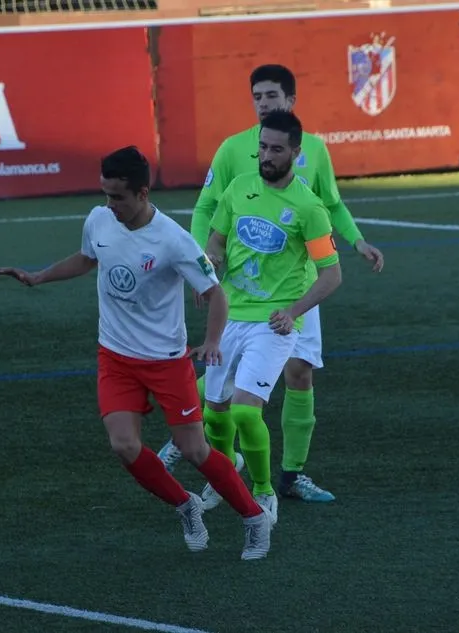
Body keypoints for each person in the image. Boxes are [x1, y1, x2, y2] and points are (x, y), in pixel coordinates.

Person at [0, 146, 274, 560]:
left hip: (165, 362)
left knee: (196, 450)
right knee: (124, 446)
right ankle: (186, 506)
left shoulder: (173, 240)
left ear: (143, 194)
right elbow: (87, 258)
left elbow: (216, 294)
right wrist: (40, 277)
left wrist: (212, 341)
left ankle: (254, 520)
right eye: (106, 195)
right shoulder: (98, 220)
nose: (110, 205)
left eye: (118, 197)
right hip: (115, 356)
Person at [159, 64, 384, 503]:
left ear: (291, 101)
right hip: (242, 295)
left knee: (299, 374)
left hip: (296, 291)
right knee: (225, 392)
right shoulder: (232, 151)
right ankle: (202, 440)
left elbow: (331, 205)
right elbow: (209, 206)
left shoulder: (314, 151)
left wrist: (356, 241)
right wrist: (204, 260)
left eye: (271, 96)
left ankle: (290, 477)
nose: (264, 104)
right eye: (257, 97)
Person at [196, 110, 343, 524]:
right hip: (229, 316)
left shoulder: (309, 207)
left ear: (296, 154)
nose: (266, 155)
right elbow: (217, 241)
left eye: (277, 149)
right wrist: (209, 266)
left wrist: (293, 312)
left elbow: (332, 274)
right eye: (263, 146)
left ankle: (264, 494)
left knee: (245, 411)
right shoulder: (239, 189)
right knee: (214, 413)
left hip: (273, 323)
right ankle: (224, 479)